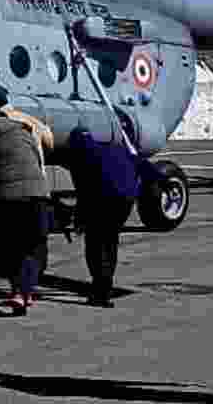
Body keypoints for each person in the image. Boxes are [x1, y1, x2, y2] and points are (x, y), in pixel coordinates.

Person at [67, 124, 161, 307]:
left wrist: (79, 221)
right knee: (110, 241)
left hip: (104, 199)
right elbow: (148, 168)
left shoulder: (81, 159)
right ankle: (105, 286)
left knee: (95, 244)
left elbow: (84, 193)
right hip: (125, 200)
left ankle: (100, 291)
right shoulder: (113, 148)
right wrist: (148, 185)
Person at [0, 85, 51, 316]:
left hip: (7, 197)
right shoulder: (25, 129)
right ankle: (26, 291)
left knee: (9, 246)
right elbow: (40, 160)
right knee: (34, 245)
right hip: (37, 193)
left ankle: (18, 291)